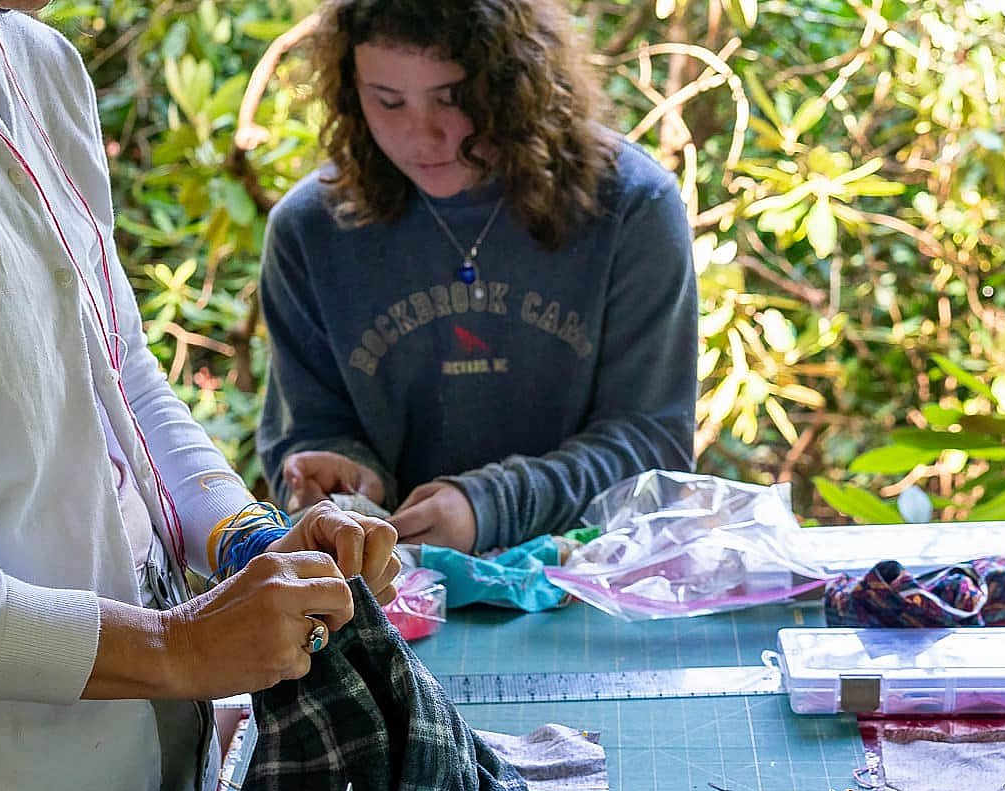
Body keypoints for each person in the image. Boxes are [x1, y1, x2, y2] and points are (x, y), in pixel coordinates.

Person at [0, 2, 398, 791]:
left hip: (152, 764)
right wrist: (173, 646)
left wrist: (248, 542)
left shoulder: (37, 60)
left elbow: (119, 372)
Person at [256, 0, 700, 555]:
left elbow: (653, 444)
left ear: (517, 86)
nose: (423, 135)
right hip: (403, 593)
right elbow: (308, 432)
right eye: (388, 101)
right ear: (351, 93)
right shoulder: (309, 231)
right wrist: (348, 480)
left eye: (453, 98)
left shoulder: (631, 206)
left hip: (594, 581)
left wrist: (489, 506)